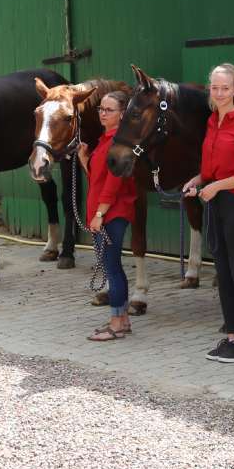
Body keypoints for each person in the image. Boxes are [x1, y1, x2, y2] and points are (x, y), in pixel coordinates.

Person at [184, 64, 234, 364]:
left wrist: (216, 187)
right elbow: (211, 166)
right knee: (223, 271)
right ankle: (230, 335)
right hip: (214, 200)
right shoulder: (213, 121)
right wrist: (199, 180)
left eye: (224, 88)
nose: (219, 93)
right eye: (214, 88)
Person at [78, 91, 137, 340]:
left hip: (112, 213)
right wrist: (84, 160)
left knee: (112, 268)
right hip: (105, 212)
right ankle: (122, 320)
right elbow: (98, 180)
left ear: (122, 114)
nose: (102, 113)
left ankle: (115, 324)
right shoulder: (106, 140)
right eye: (101, 109)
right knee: (114, 267)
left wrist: (100, 213)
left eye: (108, 110)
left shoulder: (119, 144)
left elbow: (113, 184)